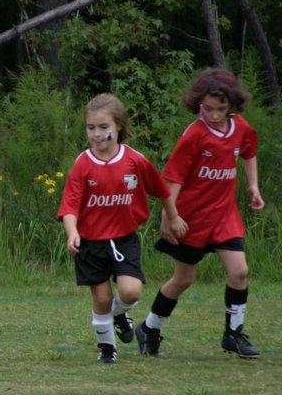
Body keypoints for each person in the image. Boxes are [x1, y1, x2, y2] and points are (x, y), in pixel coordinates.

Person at [136, 68, 265, 359]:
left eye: (221, 108)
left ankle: (233, 334)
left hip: (224, 215)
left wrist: (253, 185)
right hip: (190, 218)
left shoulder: (241, 127)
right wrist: (170, 217)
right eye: (208, 109)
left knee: (240, 271)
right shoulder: (194, 135)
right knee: (183, 279)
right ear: (198, 104)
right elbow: (173, 179)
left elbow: (248, 152)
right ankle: (150, 328)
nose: (215, 115)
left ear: (232, 104)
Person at [58, 94, 187, 364]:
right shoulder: (83, 163)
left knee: (131, 292)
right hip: (90, 244)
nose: (96, 134)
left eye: (103, 127)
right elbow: (69, 205)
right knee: (102, 299)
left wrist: (173, 217)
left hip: (123, 239)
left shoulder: (135, 161)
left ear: (118, 126)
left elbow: (161, 190)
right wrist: (72, 233)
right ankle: (107, 349)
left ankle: (118, 314)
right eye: (90, 128)